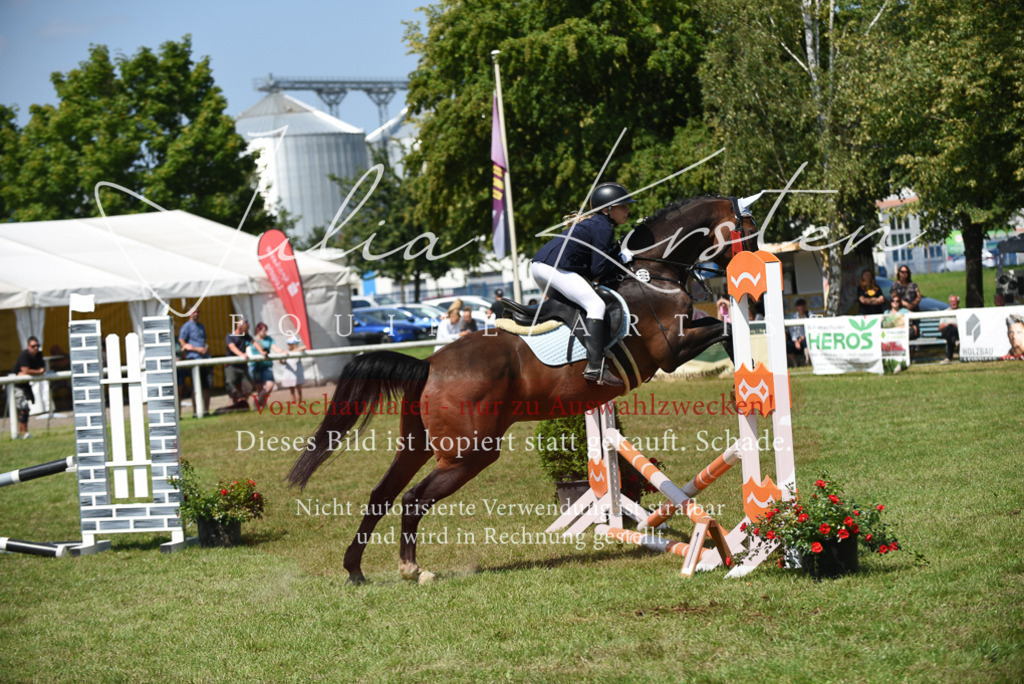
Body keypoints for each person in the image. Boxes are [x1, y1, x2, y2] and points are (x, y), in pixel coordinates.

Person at [530, 181, 635, 386]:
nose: (628, 210)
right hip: (554, 268)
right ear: (607, 209)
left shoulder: (598, 224)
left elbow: (596, 264)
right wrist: (622, 259)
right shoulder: (603, 226)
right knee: (595, 305)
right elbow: (598, 270)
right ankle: (596, 366)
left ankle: (567, 354)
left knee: (574, 309)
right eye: (623, 206)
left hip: (540, 266)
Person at [178, 308, 212, 415]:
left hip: (205, 359)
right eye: (194, 312)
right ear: (189, 314)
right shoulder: (186, 326)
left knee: (207, 386)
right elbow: (182, 341)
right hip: (193, 359)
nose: (196, 314)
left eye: (197, 311)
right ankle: (196, 411)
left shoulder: (201, 326)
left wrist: (205, 348)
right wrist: (196, 349)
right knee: (196, 387)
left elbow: (204, 341)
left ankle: (206, 410)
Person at [246, 322, 287, 410]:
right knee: (259, 387)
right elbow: (244, 348)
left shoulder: (269, 339)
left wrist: (282, 351)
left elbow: (275, 348)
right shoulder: (251, 340)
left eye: (266, 331)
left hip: (266, 365)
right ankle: (262, 406)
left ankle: (258, 401)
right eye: (263, 330)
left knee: (270, 385)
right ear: (258, 330)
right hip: (255, 366)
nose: (265, 333)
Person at [10, 336, 45, 439]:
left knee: (25, 410)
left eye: (37, 346)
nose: (36, 348)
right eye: (33, 346)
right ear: (28, 346)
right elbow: (26, 371)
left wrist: (32, 371)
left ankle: (21, 434)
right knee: (23, 409)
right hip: (16, 385)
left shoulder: (39, 354)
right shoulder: (24, 354)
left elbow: (42, 369)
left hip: (25, 384)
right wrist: (38, 372)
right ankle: (22, 433)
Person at [224, 318, 254, 410]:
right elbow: (232, 347)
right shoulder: (230, 336)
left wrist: (262, 351)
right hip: (231, 366)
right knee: (232, 386)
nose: (247, 330)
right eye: (246, 328)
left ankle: (241, 404)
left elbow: (255, 343)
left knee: (248, 387)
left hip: (242, 366)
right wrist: (241, 354)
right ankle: (239, 404)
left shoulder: (246, 336)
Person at [280, 336, 306, 403]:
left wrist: (292, 352)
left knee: (299, 389)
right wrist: (281, 359)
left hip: (297, 372)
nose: (288, 345)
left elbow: (304, 347)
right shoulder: (286, 352)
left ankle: (300, 403)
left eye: (289, 344)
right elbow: (284, 362)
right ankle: (293, 403)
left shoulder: (298, 351)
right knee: (292, 391)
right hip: (290, 372)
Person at [786, 298, 811, 366]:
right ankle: (795, 363)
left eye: (802, 306)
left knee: (807, 342)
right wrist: (796, 340)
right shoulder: (794, 317)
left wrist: (803, 337)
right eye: (799, 306)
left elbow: (811, 327)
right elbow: (792, 330)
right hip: (796, 339)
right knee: (787, 345)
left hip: (805, 337)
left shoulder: (809, 315)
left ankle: (807, 360)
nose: (801, 308)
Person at [937, 295, 960, 364]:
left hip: (957, 331)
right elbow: (940, 328)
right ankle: (955, 341)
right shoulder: (945, 312)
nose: (953, 303)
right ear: (949, 302)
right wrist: (947, 325)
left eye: (955, 301)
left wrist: (955, 325)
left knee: (951, 333)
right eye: (951, 301)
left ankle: (948, 358)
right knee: (949, 328)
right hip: (946, 330)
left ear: (958, 302)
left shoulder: (961, 312)